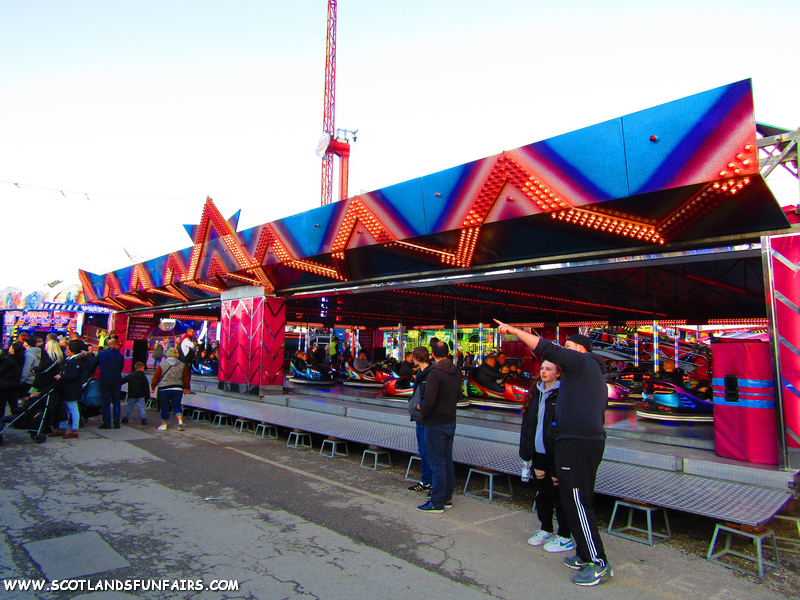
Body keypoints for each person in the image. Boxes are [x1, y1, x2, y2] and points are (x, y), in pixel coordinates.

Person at [494, 320, 612, 587]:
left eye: (569, 347)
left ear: (581, 351)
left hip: (579, 443)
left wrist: (514, 331)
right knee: (572, 501)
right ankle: (583, 554)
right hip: (574, 441)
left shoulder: (586, 363)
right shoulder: (579, 375)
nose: (564, 352)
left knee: (578, 502)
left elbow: (549, 349)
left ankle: (598, 563)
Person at [519, 360, 573, 553]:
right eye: (542, 368)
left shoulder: (564, 393)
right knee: (542, 491)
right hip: (538, 450)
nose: (543, 372)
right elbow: (528, 424)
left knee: (560, 493)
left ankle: (565, 534)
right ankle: (545, 528)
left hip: (556, 452)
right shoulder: (535, 392)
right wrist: (525, 450)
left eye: (548, 369)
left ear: (558, 373)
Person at [416, 341, 461, 514]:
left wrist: (423, 413)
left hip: (435, 423)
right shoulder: (456, 371)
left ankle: (437, 502)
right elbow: (458, 395)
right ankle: (447, 497)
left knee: (436, 463)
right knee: (447, 460)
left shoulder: (434, 374)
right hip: (450, 420)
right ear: (448, 354)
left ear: (433, 355)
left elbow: (429, 400)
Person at [407, 347, 433, 494]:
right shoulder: (422, 373)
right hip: (419, 415)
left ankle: (429, 481)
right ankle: (425, 480)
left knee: (426, 450)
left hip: (424, 416)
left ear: (417, 358)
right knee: (422, 450)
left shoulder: (429, 374)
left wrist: (420, 404)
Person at [51, 341, 88, 440]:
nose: (66, 350)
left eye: (68, 348)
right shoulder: (69, 360)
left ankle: (74, 430)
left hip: (72, 389)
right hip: (66, 388)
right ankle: (61, 428)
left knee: (72, 408)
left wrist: (61, 376)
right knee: (65, 409)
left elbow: (74, 375)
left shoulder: (77, 362)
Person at [86, 338, 125, 430]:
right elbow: (121, 368)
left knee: (106, 403)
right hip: (116, 381)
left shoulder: (101, 355)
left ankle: (107, 423)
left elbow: (92, 366)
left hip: (104, 380)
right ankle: (116, 423)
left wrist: (91, 373)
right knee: (116, 402)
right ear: (116, 345)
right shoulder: (120, 356)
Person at [151, 347, 190, 431]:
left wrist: (153, 386)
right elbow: (186, 377)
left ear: (167, 354)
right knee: (177, 405)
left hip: (164, 388)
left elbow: (156, 377)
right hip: (178, 388)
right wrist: (186, 387)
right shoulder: (182, 365)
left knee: (164, 406)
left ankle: (164, 424)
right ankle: (180, 421)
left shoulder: (162, 364)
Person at [0, 342, 24, 418]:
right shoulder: (21, 358)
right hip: (14, 383)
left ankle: (1, 420)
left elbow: (2, 371)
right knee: (13, 403)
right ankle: (15, 419)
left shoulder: (8, 359)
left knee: (1, 403)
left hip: (4, 383)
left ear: (13, 349)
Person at [179, 328, 196, 394]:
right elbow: (192, 345)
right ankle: (186, 389)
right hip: (186, 360)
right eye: (192, 332)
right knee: (187, 375)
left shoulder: (187, 338)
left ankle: (186, 388)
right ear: (188, 332)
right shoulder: (186, 339)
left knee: (187, 375)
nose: (193, 333)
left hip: (187, 360)